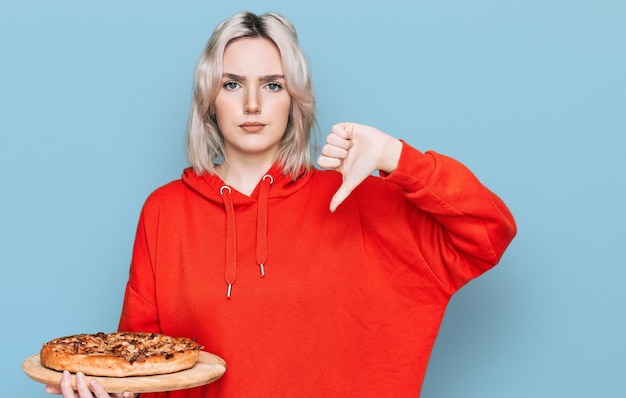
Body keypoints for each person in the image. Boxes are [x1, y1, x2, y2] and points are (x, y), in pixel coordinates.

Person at [46, 10, 516, 398]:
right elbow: (142, 370)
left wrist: (396, 156)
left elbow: (489, 230)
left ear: (295, 99)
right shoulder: (165, 212)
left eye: (272, 84)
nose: (252, 103)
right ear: (209, 100)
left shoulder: (356, 199)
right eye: (232, 84)